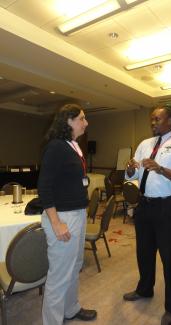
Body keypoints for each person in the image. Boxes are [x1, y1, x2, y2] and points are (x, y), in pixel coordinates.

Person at [123, 105, 171, 325]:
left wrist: (161, 169)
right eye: (152, 119)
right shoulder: (145, 144)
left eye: (157, 119)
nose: (153, 122)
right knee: (144, 252)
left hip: (168, 208)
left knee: (170, 258)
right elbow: (133, 172)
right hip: (144, 206)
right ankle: (145, 289)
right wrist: (129, 168)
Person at [38, 103, 97, 325]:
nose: (86, 122)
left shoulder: (72, 145)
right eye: (82, 118)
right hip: (62, 216)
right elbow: (44, 187)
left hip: (77, 213)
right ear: (69, 121)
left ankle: (71, 309)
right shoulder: (55, 147)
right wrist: (56, 223)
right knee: (59, 275)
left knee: (75, 265)